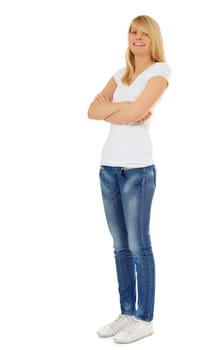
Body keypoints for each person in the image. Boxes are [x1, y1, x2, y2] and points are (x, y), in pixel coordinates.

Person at [88, 15, 170, 344]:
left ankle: (144, 318)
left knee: (139, 246)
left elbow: (137, 113)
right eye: (133, 32)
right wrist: (128, 108)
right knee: (119, 247)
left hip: (137, 170)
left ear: (153, 39)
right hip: (108, 168)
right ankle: (126, 312)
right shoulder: (119, 74)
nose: (137, 37)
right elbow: (91, 111)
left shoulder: (160, 73)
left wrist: (118, 108)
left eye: (144, 33)